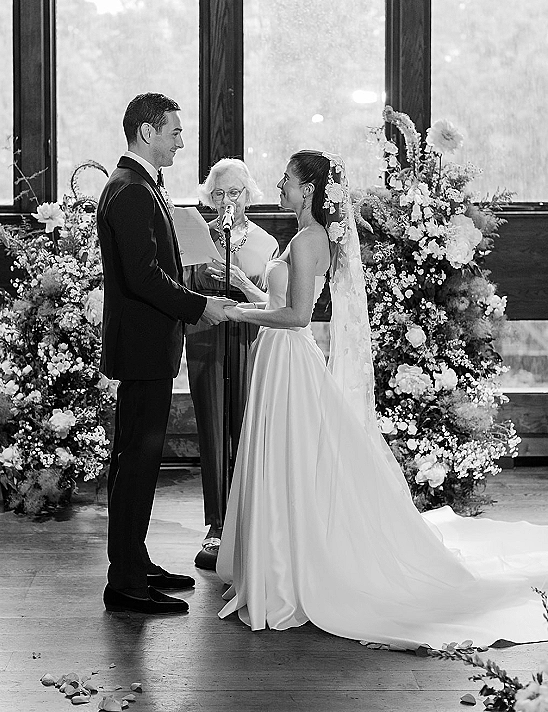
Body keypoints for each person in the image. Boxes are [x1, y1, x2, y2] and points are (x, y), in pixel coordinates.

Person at [216, 149, 548, 649]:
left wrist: (236, 314)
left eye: (286, 179)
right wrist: (245, 289)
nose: (279, 186)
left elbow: (298, 317)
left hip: (288, 359)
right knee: (282, 460)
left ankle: (289, 570)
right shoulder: (304, 236)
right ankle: (273, 564)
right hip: (276, 357)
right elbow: (280, 304)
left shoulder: (308, 240)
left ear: (308, 189)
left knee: (290, 460)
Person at [97, 92, 234, 616]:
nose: (180, 141)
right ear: (148, 132)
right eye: (174, 131)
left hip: (145, 345)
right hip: (142, 348)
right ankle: (126, 584)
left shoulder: (138, 184)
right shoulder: (131, 189)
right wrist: (200, 306)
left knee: (136, 460)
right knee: (136, 463)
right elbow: (144, 275)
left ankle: (134, 562)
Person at [185, 159, 278, 570]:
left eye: (235, 193)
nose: (227, 201)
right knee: (212, 430)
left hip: (249, 339)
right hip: (205, 338)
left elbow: (274, 302)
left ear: (249, 196)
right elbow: (181, 288)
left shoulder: (266, 242)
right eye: (219, 193)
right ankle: (217, 523)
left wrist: (239, 281)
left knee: (247, 427)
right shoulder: (197, 237)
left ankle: (249, 519)